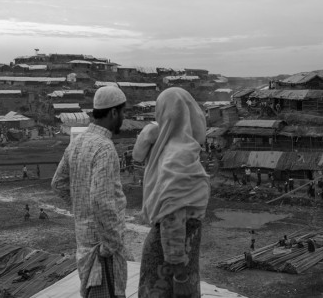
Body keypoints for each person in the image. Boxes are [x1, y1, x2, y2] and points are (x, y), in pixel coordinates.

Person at [52, 85, 129, 298]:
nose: (123, 117)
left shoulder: (78, 143)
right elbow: (101, 200)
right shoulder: (104, 148)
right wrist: (112, 243)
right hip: (103, 250)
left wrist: (81, 209)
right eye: (123, 112)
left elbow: (58, 184)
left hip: (85, 244)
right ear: (113, 112)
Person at [133, 88, 210, 298]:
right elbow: (172, 219)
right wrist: (181, 276)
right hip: (169, 262)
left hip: (172, 256)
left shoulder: (168, 150)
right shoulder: (178, 155)